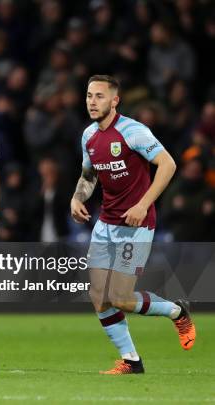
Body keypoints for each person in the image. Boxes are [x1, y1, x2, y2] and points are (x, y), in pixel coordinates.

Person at [70, 75, 196, 375]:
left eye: (99, 96)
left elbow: (168, 164)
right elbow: (89, 175)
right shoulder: (88, 135)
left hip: (136, 224)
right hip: (106, 222)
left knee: (122, 298)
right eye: (89, 95)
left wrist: (143, 204)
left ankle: (177, 311)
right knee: (99, 297)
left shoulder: (133, 131)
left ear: (115, 101)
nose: (92, 101)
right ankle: (131, 360)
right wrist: (77, 198)